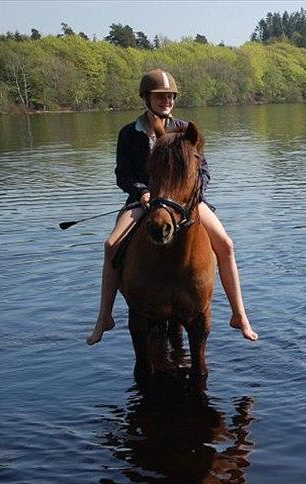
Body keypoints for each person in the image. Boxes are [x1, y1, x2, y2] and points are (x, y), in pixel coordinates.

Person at [87, 69, 258, 345]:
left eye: (169, 96)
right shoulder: (130, 134)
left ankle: (240, 315)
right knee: (111, 245)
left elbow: (203, 171)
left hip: (184, 202)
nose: (165, 100)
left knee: (225, 244)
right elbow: (123, 174)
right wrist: (141, 191)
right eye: (159, 96)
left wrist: (193, 195)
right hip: (144, 202)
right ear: (146, 98)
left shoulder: (185, 131)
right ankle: (104, 317)